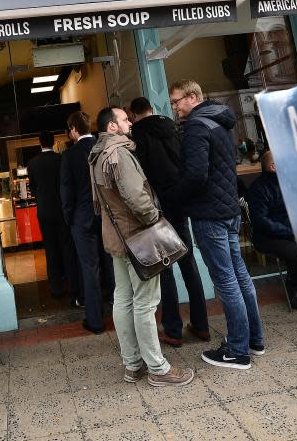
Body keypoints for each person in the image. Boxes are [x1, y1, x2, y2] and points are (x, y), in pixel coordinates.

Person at [89, 106, 195, 387]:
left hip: (116, 239)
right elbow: (136, 196)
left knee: (123, 299)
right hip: (138, 237)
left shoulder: (97, 154)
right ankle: (158, 368)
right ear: (112, 126)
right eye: (124, 119)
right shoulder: (120, 153)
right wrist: (155, 221)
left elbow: (100, 204)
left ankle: (133, 365)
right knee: (145, 303)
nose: (130, 123)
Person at [170, 79, 265, 370]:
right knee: (239, 274)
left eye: (177, 101)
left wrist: (174, 198)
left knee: (225, 279)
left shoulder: (197, 126)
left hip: (209, 213)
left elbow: (197, 174)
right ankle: (254, 340)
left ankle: (237, 350)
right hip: (228, 210)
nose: (174, 107)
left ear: (193, 96)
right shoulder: (219, 122)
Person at [128, 97, 211, 347]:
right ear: (152, 110)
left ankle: (173, 330)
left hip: (158, 207)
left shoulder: (138, 137)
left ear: (133, 115)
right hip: (179, 202)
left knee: (165, 266)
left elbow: (141, 176)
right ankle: (202, 325)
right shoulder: (174, 129)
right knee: (188, 261)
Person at [60, 111, 115, 334]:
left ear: (74, 129)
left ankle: (95, 320)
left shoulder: (69, 156)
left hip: (82, 219)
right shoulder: (104, 147)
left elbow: (66, 192)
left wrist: (70, 219)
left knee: (89, 268)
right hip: (107, 215)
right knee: (112, 264)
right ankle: (120, 311)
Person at [246, 150, 297, 309]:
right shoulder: (259, 189)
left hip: (290, 232)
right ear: (274, 166)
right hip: (267, 237)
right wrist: (289, 231)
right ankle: (296, 290)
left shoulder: (289, 183)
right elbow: (261, 221)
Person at [27, 130, 82, 304]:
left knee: (50, 249)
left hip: (44, 211)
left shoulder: (32, 163)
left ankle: (56, 288)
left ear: (40, 143)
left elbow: (33, 190)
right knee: (67, 248)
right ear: (53, 143)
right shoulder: (61, 159)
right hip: (62, 210)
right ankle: (73, 287)